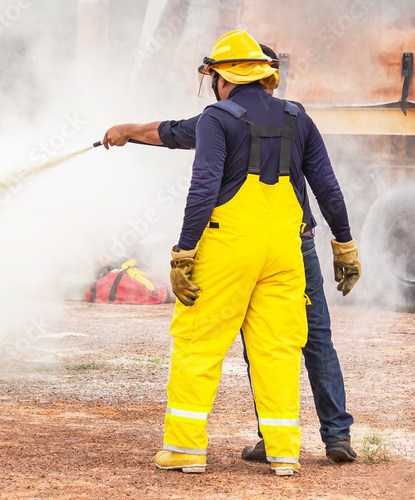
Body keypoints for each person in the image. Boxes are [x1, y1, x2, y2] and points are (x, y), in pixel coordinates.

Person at [102, 44, 361, 464]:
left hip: (232, 249)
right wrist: (345, 243)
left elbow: (202, 187)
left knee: (203, 342)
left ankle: (186, 448)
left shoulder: (218, 118)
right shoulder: (297, 117)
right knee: (290, 341)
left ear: (226, 77)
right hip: (290, 247)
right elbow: (328, 187)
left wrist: (184, 252)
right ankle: (298, 447)